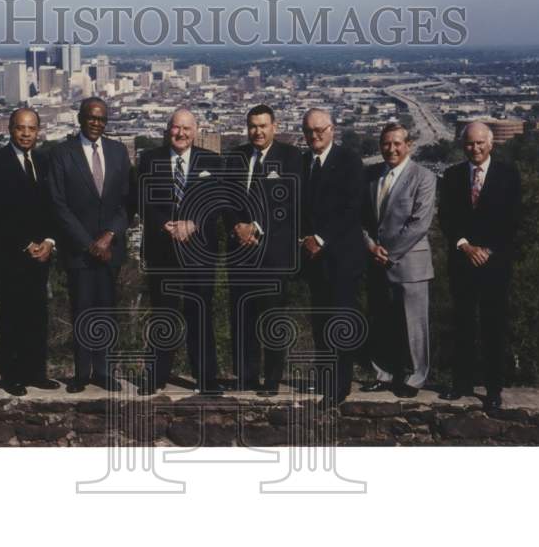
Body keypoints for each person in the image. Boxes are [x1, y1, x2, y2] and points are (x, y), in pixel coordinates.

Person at [47, 97, 134, 393]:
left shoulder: (119, 152)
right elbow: (58, 205)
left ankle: (105, 371)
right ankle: (82, 373)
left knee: (107, 311)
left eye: (101, 119)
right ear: (80, 118)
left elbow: (127, 201)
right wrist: (88, 243)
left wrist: (109, 236)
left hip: (111, 248)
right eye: (91, 117)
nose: (96, 123)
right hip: (79, 250)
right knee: (82, 309)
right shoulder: (61, 154)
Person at [136, 108, 225, 396]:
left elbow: (218, 204)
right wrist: (166, 225)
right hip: (163, 251)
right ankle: (157, 375)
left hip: (199, 252)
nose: (181, 133)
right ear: (168, 129)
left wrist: (194, 223)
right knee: (164, 315)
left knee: (200, 314)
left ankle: (207, 379)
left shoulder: (212, 161)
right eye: (176, 127)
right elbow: (142, 200)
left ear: (195, 131)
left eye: (187, 128)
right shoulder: (149, 160)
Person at [438, 120, 521, 410]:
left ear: (491, 144)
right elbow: (446, 218)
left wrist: (488, 250)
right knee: (462, 326)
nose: (474, 148)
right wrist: (466, 246)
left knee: (493, 328)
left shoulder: (508, 176)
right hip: (462, 262)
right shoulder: (451, 176)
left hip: (495, 266)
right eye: (469, 144)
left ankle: (494, 389)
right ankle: (461, 384)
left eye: (479, 143)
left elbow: (514, 220)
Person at [224, 104, 303, 394]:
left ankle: (271, 380)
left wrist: (254, 227)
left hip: (272, 255)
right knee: (242, 318)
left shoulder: (292, 156)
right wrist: (237, 227)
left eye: (263, 126)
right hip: (240, 254)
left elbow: (287, 202)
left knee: (271, 319)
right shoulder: (236, 157)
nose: (257, 131)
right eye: (253, 126)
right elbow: (226, 199)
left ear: (274, 126)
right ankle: (246, 377)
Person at [0, 108, 61, 396]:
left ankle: (36, 372)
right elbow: (0, 212)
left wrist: (50, 242)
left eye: (31, 128)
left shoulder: (44, 160)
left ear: (38, 130)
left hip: (42, 254)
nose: (26, 133)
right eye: (20, 128)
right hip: (11, 255)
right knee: (11, 317)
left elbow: (53, 206)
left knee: (37, 316)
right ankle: (12, 375)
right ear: (10, 129)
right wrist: (28, 244)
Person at [360, 122, 437, 398]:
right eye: (386, 144)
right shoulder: (371, 176)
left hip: (410, 264)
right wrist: (370, 247)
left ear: (408, 146)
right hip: (376, 262)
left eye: (397, 143)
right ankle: (384, 374)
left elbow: (419, 224)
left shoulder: (424, 177)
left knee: (414, 326)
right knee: (381, 322)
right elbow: (361, 219)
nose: (391, 149)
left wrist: (388, 253)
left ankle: (415, 378)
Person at [298, 109, 367, 404]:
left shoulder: (349, 161)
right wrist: (305, 238)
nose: (315, 136)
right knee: (320, 322)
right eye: (309, 131)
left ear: (332, 129)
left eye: (320, 130)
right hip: (313, 258)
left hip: (341, 257)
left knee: (340, 320)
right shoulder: (303, 163)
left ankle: (340, 386)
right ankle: (324, 378)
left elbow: (352, 209)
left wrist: (321, 238)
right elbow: (297, 207)